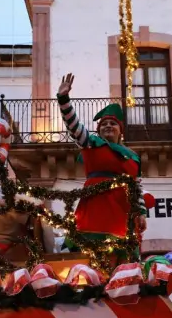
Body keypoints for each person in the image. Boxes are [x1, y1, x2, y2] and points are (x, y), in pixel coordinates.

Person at [56, 73, 148, 259]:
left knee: (121, 254)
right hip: (95, 207)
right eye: (104, 124)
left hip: (122, 210)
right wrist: (64, 99)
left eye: (112, 123)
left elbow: (137, 186)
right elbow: (74, 127)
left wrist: (142, 213)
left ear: (120, 130)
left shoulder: (133, 157)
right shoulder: (91, 143)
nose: (108, 126)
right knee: (90, 253)